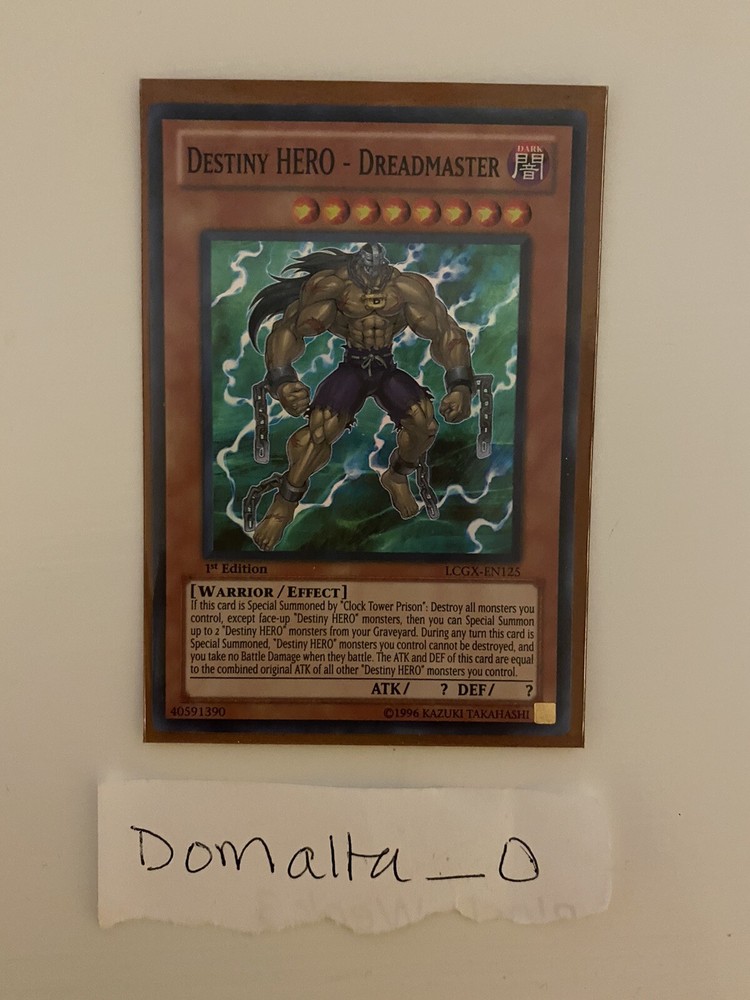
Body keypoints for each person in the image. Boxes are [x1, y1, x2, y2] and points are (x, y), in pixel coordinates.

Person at [245, 243, 475, 551]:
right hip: (353, 369)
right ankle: (282, 507)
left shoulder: (407, 288)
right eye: (367, 271)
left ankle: (397, 476)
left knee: (424, 425)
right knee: (321, 429)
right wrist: (283, 381)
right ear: (356, 267)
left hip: (385, 370)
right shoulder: (333, 287)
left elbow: (447, 331)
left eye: (379, 272)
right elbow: (288, 329)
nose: (374, 285)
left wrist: (460, 386)